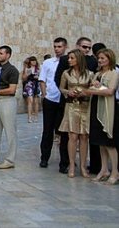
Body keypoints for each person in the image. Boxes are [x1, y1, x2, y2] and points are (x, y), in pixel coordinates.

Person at [54, 36, 98, 174]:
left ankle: (84, 166)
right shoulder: (66, 73)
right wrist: (69, 92)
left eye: (72, 58)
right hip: (71, 106)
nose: (69, 60)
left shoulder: (90, 74)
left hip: (85, 106)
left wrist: (86, 91)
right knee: (72, 136)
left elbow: (94, 89)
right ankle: (71, 165)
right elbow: (61, 88)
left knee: (84, 137)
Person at [84, 49, 119, 184]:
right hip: (96, 107)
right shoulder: (97, 73)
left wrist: (98, 88)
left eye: (103, 58)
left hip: (107, 110)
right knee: (100, 142)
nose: (100, 60)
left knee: (109, 142)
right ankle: (104, 169)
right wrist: (93, 86)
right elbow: (90, 87)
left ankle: (115, 172)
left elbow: (110, 91)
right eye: (99, 58)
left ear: (109, 59)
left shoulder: (114, 74)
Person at [38, 37, 68, 169]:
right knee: (47, 130)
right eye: (55, 46)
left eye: (60, 46)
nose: (57, 49)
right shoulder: (48, 63)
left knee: (64, 132)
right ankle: (44, 158)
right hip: (50, 99)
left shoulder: (69, 62)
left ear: (65, 47)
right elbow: (42, 80)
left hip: (64, 101)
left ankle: (64, 161)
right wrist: (45, 95)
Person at [22, 56, 41, 123]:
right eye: (32, 61)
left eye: (35, 60)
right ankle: (29, 117)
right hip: (29, 84)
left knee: (36, 102)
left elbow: (41, 77)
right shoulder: (27, 69)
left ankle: (36, 116)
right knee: (30, 101)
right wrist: (27, 74)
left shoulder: (38, 69)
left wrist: (38, 77)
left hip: (36, 84)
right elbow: (23, 78)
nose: (34, 62)